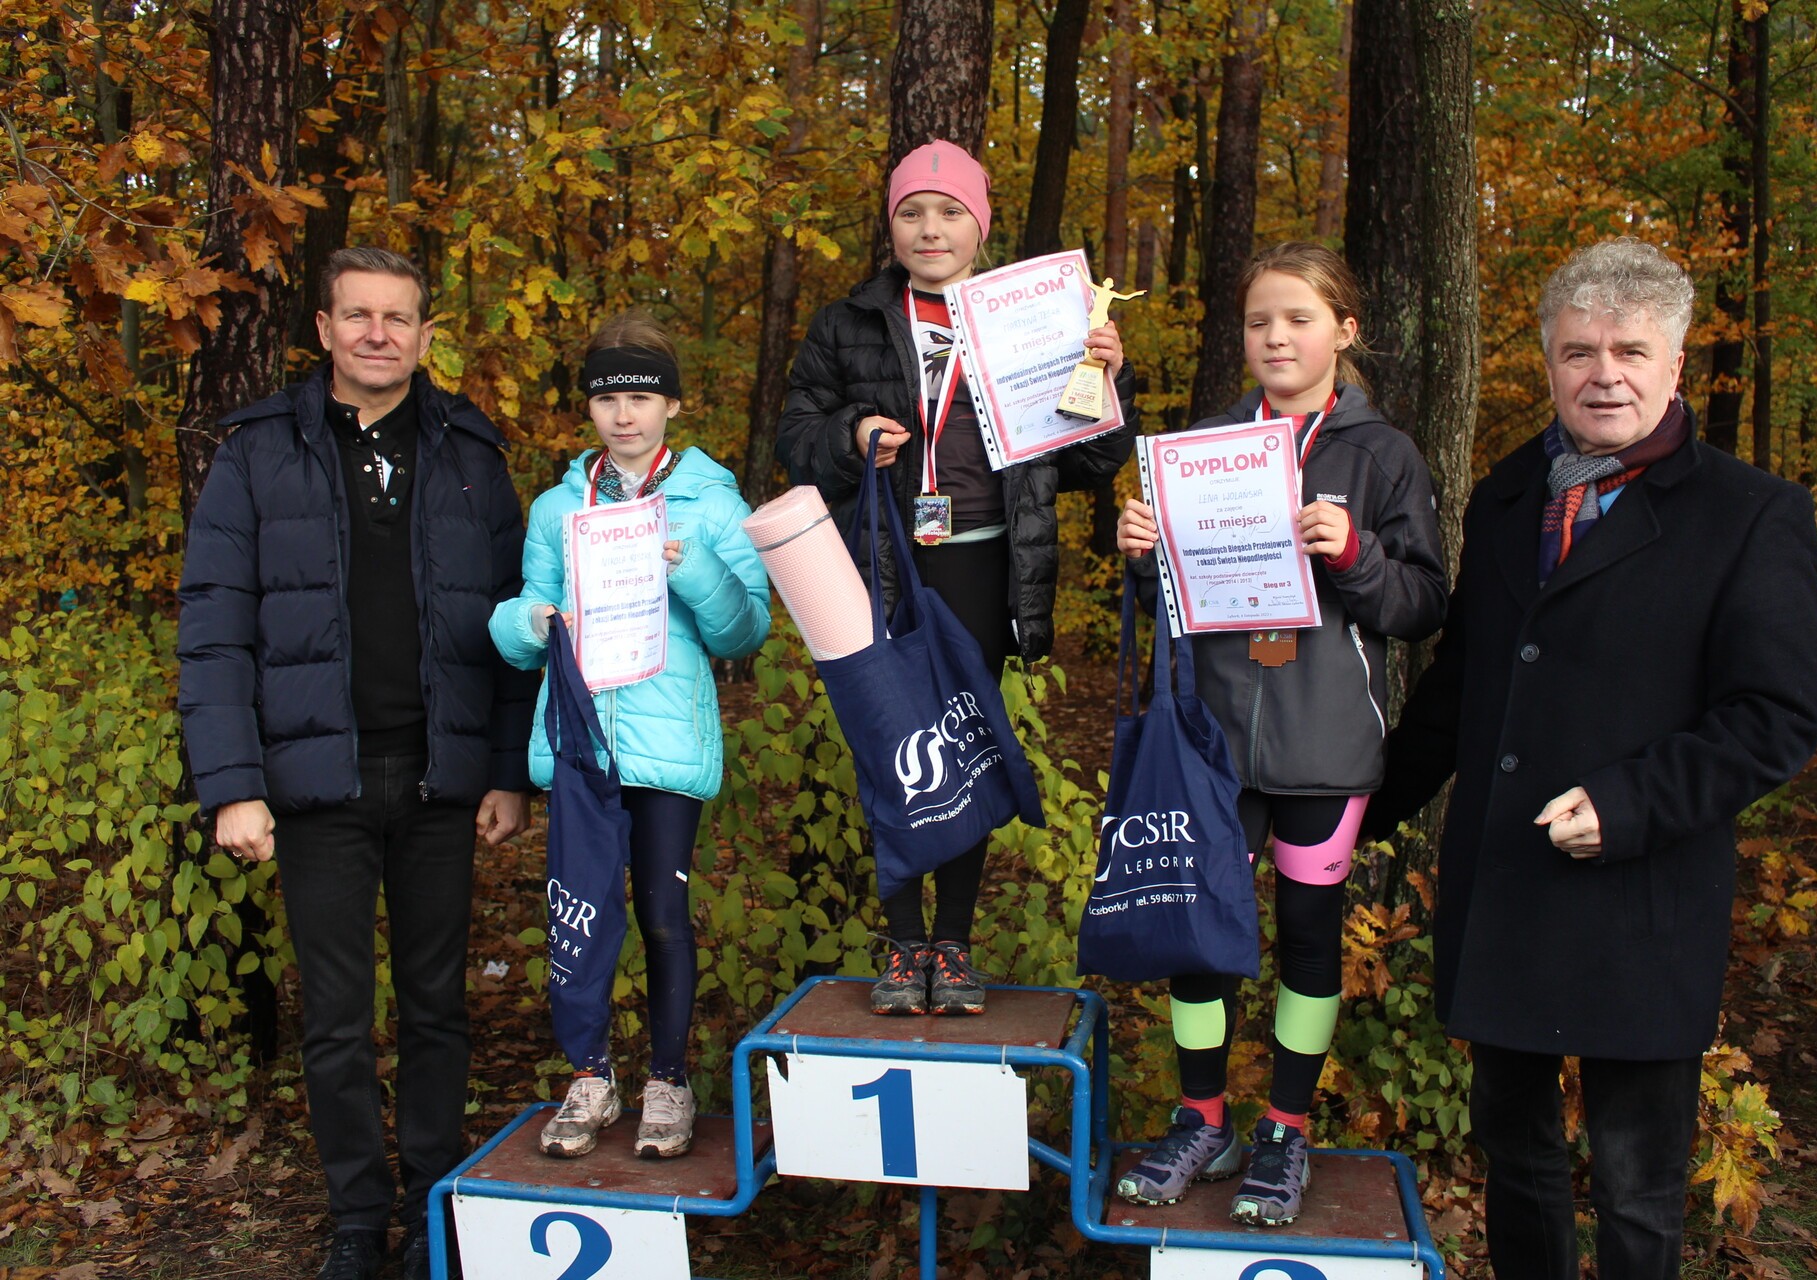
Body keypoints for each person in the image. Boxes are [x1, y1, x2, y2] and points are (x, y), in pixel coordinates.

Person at [1366, 237, 1817, 1278]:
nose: (1603, 374)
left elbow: (1777, 714)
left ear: (1675, 362)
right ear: (1548, 362)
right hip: (1508, 887)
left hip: (1643, 893)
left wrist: (1628, 803)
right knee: (1517, 1158)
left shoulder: (1752, 514)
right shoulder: (1510, 495)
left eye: (1630, 350)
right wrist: (1360, 808)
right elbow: (1463, 682)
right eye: (1579, 351)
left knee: (1636, 1188)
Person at [178, 247, 537, 1280]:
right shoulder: (257, 452)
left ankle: (431, 1206)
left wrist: (506, 769)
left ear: (425, 334)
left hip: (439, 778)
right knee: (335, 1018)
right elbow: (214, 627)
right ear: (325, 329)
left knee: (436, 1008)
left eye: (399, 317)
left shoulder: (471, 451)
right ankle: (354, 1215)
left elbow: (516, 624)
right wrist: (233, 785)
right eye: (359, 315)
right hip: (314, 784)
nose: (379, 333)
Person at [1113, 242, 1448, 1226]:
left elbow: (1424, 603)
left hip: (1325, 750)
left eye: (1299, 318)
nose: (1276, 337)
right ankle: (1202, 1117)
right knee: (1200, 935)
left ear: (1345, 330)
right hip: (1211, 745)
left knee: (1308, 936)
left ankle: (1287, 1127)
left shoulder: (1382, 455)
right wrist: (1141, 555)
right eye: (1260, 320)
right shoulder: (1201, 447)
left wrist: (1356, 553)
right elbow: (1174, 599)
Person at [775, 140, 1140, 1016]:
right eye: (911, 212)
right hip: (879, 560)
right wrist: (850, 436)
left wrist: (1108, 377)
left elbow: (1092, 462)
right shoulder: (847, 322)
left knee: (963, 745)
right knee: (891, 744)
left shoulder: (1033, 316)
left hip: (982, 561)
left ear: (981, 224)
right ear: (891, 225)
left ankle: (954, 941)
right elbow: (793, 435)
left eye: (950, 212)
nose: (930, 229)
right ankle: (904, 945)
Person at [490, 310, 770, 1162]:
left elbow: (745, 631)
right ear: (589, 407)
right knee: (581, 913)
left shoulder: (712, 504)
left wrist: (693, 567)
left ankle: (668, 1081)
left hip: (665, 746)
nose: (624, 415)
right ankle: (590, 1075)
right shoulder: (556, 507)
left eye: (642, 398)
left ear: (672, 406)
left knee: (662, 914)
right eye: (607, 398)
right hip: (581, 742)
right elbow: (518, 615)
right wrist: (532, 621)